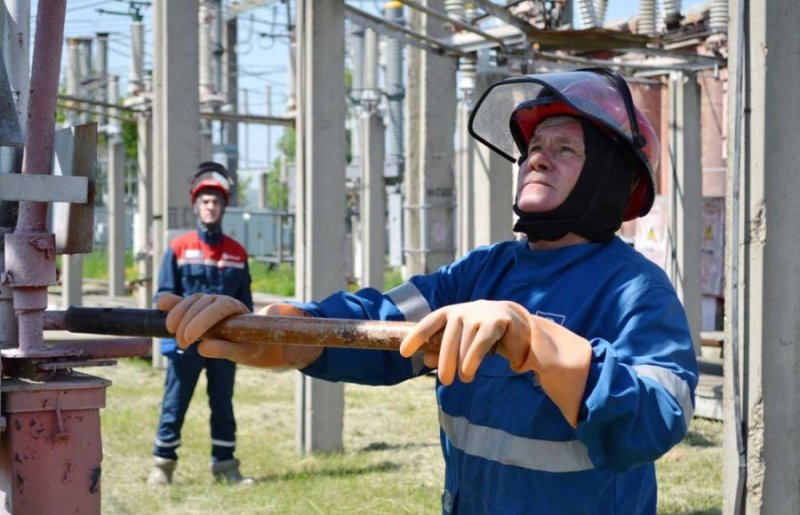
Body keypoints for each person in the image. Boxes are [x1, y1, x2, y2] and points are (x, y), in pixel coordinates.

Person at [156, 68, 698, 512]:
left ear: (608, 177)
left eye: (565, 149)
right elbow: (384, 319)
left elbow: (655, 419)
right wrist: (282, 329)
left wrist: (538, 343)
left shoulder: (634, 289)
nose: (536, 157)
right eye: (534, 145)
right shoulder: (482, 273)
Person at [147, 162, 255, 486]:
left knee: (223, 404)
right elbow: (164, 297)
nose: (210, 206)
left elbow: (246, 305)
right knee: (175, 402)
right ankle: (162, 466)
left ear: (224, 207)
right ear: (197, 206)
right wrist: (171, 341)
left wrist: (243, 342)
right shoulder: (178, 249)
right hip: (185, 342)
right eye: (205, 201)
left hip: (224, 345)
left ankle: (225, 466)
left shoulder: (237, 253)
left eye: (216, 202)